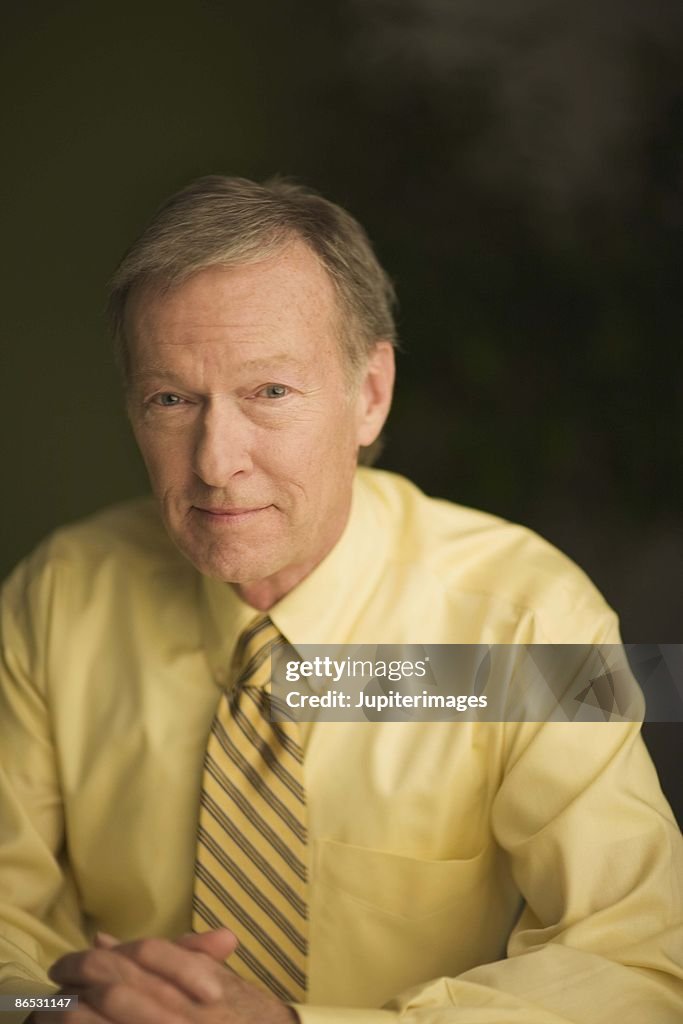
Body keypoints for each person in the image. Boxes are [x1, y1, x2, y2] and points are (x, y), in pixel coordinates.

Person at [0, 176, 681, 1024]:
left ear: (369, 394)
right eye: (172, 399)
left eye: (269, 393)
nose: (216, 462)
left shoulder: (527, 619)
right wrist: (44, 1011)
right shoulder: (58, 597)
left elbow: (635, 967)